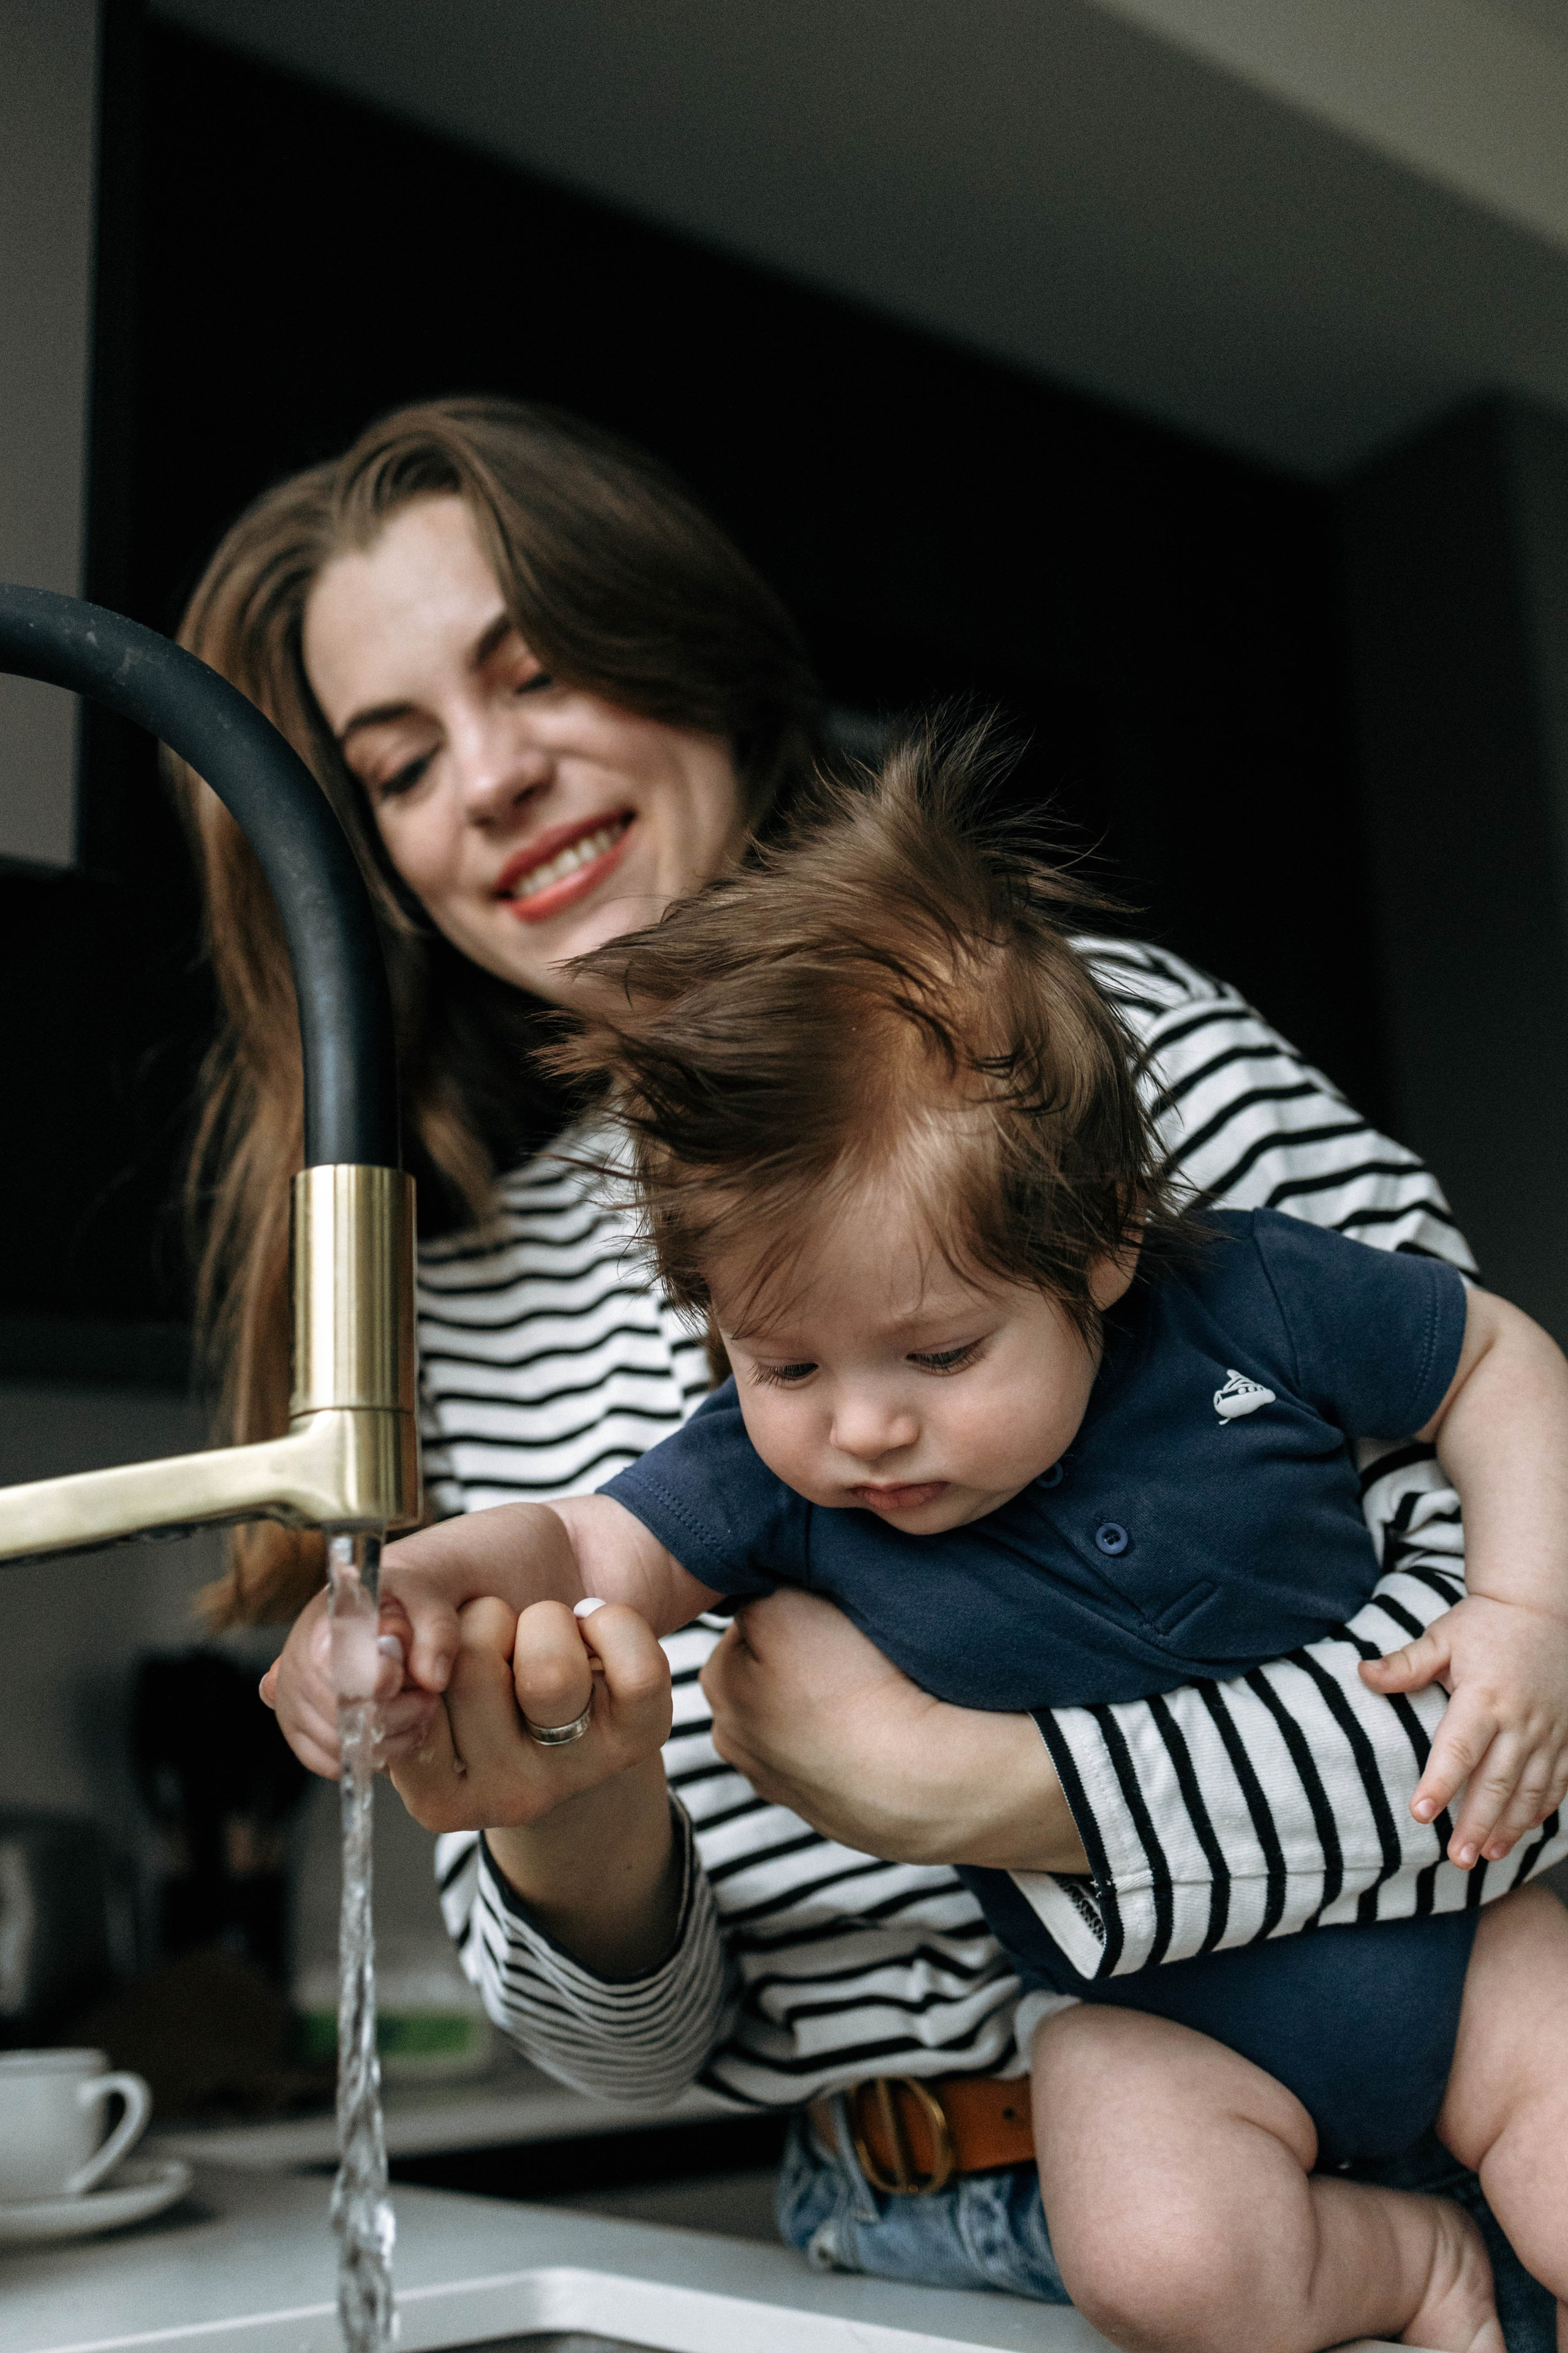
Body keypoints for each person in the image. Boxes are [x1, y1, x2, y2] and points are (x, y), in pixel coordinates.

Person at [175, 395, 1557, 2340]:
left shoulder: (1096, 1045)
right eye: (400, 766)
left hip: (1397, 2158)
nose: (485, 782)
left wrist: (979, 1788)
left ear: (698, 662)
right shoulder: (450, 1294)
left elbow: (1513, 1705)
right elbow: (626, 2057)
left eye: (539, 670)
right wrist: (572, 1804)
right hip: (888, 2236)